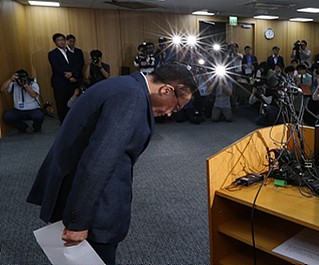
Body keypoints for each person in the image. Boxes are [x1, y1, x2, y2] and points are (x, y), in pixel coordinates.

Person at [26, 63, 196, 265]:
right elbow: (99, 161)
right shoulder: (131, 99)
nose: (170, 113)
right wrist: (78, 221)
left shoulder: (122, 85)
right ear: (166, 90)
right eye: (176, 107)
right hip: (93, 210)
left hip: (75, 193)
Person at [48, 33, 77, 123]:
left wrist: (72, 74)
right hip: (60, 82)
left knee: (72, 102)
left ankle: (72, 121)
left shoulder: (71, 52)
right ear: (55, 42)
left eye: (63, 39)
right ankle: (64, 122)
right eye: (59, 40)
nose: (61, 42)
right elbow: (56, 67)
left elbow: (76, 65)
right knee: (61, 104)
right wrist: (68, 76)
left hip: (72, 81)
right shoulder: (52, 54)